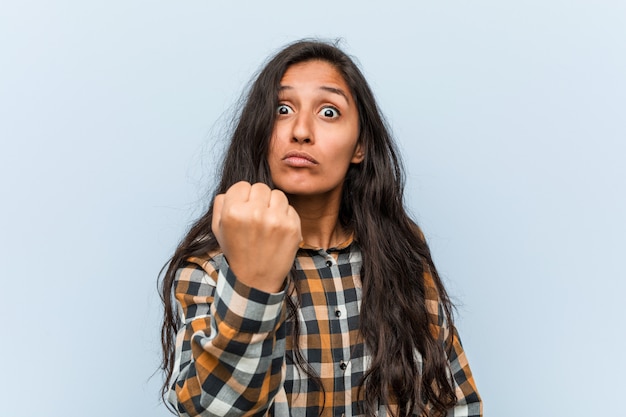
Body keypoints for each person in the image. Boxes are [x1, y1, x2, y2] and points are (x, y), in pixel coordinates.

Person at [159, 39, 482, 417]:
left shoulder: (402, 251)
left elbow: (455, 403)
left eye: (329, 112)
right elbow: (211, 412)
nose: (300, 131)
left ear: (359, 145)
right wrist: (253, 286)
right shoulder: (209, 263)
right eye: (282, 109)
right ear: (260, 131)